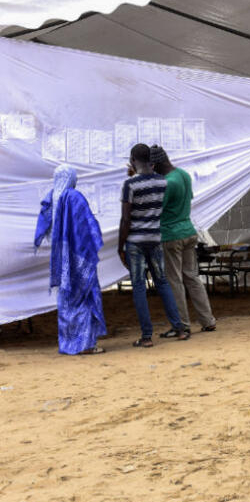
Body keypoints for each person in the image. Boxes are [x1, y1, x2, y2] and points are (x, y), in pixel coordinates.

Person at [119, 143, 190, 347]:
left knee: (139, 286)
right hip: (155, 239)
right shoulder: (162, 182)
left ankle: (147, 336)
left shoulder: (130, 185)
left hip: (135, 242)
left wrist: (120, 246)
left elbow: (126, 219)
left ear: (133, 160)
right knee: (162, 282)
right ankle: (179, 328)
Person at [33, 164, 107, 355]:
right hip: (78, 255)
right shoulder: (74, 197)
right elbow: (87, 225)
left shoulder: (52, 197)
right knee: (83, 296)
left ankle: (68, 344)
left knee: (66, 299)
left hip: (61, 257)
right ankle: (85, 345)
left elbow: (44, 225)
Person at [151, 146, 217, 334]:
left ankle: (181, 325)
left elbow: (156, 209)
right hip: (188, 230)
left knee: (174, 280)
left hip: (171, 235)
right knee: (192, 277)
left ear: (156, 164)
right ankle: (208, 320)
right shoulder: (183, 175)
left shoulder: (167, 183)